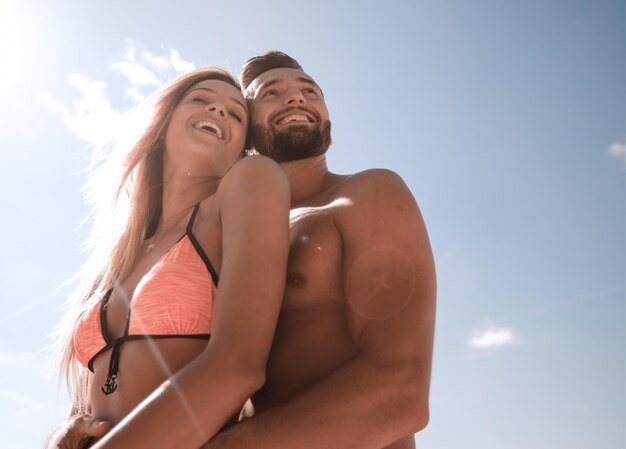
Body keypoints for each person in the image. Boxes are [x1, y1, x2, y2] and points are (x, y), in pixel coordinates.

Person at [45, 67, 290, 449]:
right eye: (200, 99)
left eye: (236, 113)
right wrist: (61, 435)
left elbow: (240, 366)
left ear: (242, 146)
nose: (219, 109)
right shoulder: (121, 253)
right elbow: (90, 395)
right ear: (163, 124)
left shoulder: (251, 182)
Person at [202, 52, 436, 449]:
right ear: (246, 128)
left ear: (327, 117)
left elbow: (400, 392)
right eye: (271, 93)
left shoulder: (368, 193)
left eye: (309, 90)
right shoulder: (221, 235)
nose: (295, 97)